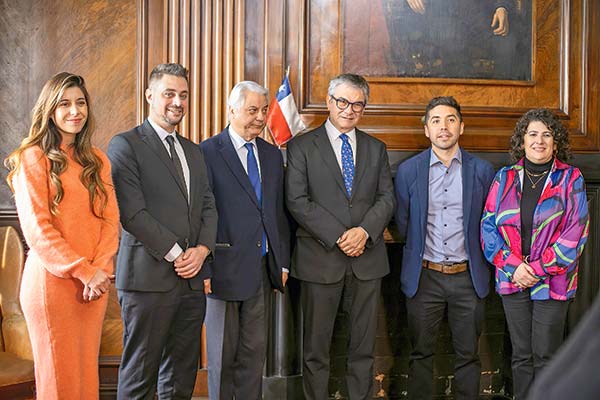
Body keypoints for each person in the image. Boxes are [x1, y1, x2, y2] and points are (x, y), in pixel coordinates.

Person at [5, 72, 119, 399]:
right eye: (65, 104)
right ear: (50, 110)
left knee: (85, 380)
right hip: (52, 287)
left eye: (80, 102)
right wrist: (84, 271)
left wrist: (100, 272)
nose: (75, 111)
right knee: (59, 381)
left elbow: (110, 221)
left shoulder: (97, 159)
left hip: (94, 286)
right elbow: (39, 231)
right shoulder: (32, 157)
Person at [107, 63, 218, 399]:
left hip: (191, 280)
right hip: (146, 282)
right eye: (169, 93)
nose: (177, 101)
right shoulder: (125, 145)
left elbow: (209, 207)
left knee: (180, 376)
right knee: (140, 375)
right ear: (149, 95)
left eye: (183, 95)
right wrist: (177, 254)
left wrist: (201, 251)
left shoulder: (193, 151)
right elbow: (132, 214)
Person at [286, 73, 395, 400]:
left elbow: (387, 199)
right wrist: (339, 235)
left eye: (357, 104)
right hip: (320, 261)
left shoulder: (377, 149)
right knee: (316, 351)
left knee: (363, 349)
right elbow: (296, 201)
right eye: (343, 102)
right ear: (330, 102)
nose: (349, 109)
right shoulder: (301, 146)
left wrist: (363, 232)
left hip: (367, 261)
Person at [481, 108, 589, 399]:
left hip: (553, 283)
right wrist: (514, 267)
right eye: (532, 134)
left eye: (546, 134)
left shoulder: (570, 178)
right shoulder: (504, 178)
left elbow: (575, 233)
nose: (539, 140)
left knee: (546, 356)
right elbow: (488, 228)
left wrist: (537, 269)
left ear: (555, 142)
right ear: (522, 140)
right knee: (521, 356)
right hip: (512, 278)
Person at [394, 96, 495, 400]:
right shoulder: (409, 171)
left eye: (450, 119)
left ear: (461, 127)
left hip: (468, 276)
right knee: (421, 353)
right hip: (425, 277)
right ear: (426, 130)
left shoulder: (482, 171)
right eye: (436, 120)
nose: (444, 126)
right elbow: (402, 222)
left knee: (468, 355)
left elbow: (490, 223)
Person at [200, 81, 290, 399]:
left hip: (262, 270)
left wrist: (283, 262)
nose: (259, 118)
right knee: (222, 361)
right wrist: (204, 269)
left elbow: (277, 213)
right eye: (252, 110)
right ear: (232, 110)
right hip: (222, 271)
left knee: (254, 359)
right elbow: (202, 215)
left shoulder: (270, 154)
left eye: (264, 110)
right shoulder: (208, 152)